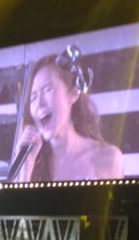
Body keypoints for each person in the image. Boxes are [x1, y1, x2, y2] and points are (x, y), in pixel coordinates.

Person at [12, 45, 123, 183]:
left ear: (73, 94)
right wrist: (27, 164)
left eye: (47, 90)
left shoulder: (107, 158)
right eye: (33, 97)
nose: (39, 104)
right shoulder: (33, 162)